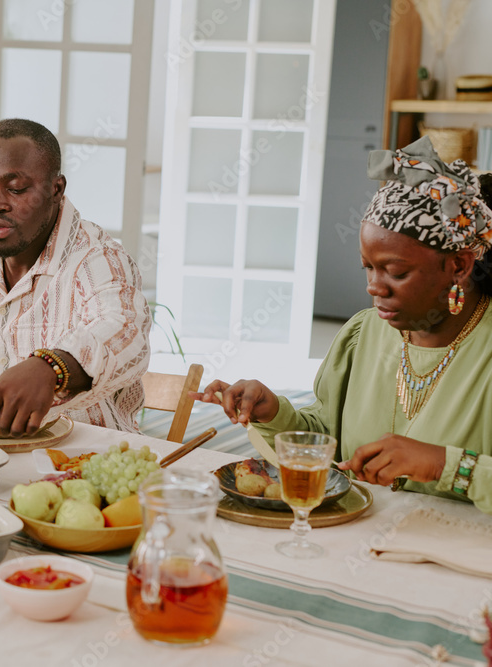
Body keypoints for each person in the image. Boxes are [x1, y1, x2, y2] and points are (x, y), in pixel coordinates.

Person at [194, 136, 492, 515]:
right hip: (356, 545)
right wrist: (275, 413)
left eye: (396, 272)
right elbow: (327, 440)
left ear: (460, 266)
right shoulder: (364, 334)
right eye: (367, 266)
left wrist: (443, 464)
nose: (373, 286)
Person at [0, 118, 151, 436]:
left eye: (15, 189)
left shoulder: (98, 258)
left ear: (56, 189)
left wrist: (51, 367)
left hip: (87, 458)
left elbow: (125, 335)